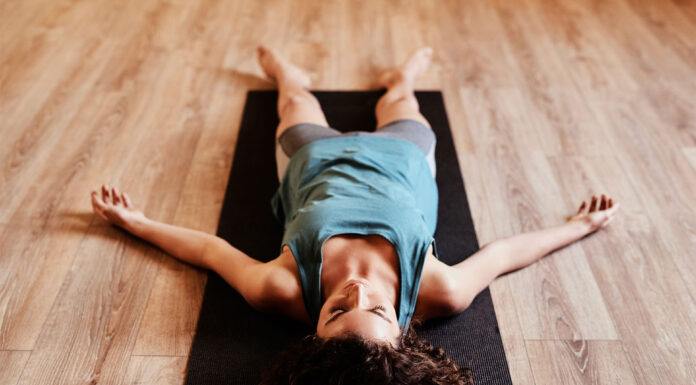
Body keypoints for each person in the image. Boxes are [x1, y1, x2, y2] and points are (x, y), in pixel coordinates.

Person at [90, 46, 621, 384]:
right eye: (381, 311)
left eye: (336, 312)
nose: (358, 291)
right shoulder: (440, 290)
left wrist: (135, 223)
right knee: (402, 100)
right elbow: (503, 255)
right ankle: (402, 77)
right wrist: (577, 227)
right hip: (402, 158)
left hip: (314, 156)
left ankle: (286, 73)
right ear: (409, 328)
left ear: (312, 335)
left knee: (294, 97)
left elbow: (211, 250)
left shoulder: (279, 289)